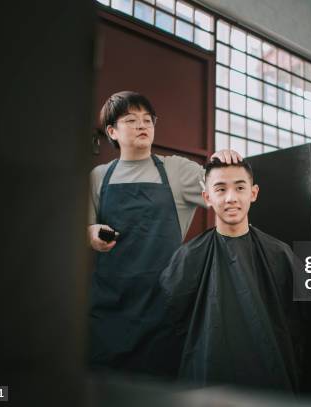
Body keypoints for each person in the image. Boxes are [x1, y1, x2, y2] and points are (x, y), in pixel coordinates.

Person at [87, 91, 241, 375]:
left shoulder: (176, 170)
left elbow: (225, 191)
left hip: (165, 308)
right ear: (112, 131)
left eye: (148, 119)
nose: (143, 125)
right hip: (110, 306)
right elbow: (80, 228)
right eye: (131, 120)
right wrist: (92, 232)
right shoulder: (99, 176)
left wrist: (221, 163)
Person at [159, 158, 303, 393]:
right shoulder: (187, 258)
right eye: (220, 189)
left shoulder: (280, 254)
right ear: (207, 197)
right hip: (206, 382)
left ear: (253, 193)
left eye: (239, 188)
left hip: (270, 383)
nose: (231, 198)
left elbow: (300, 323)